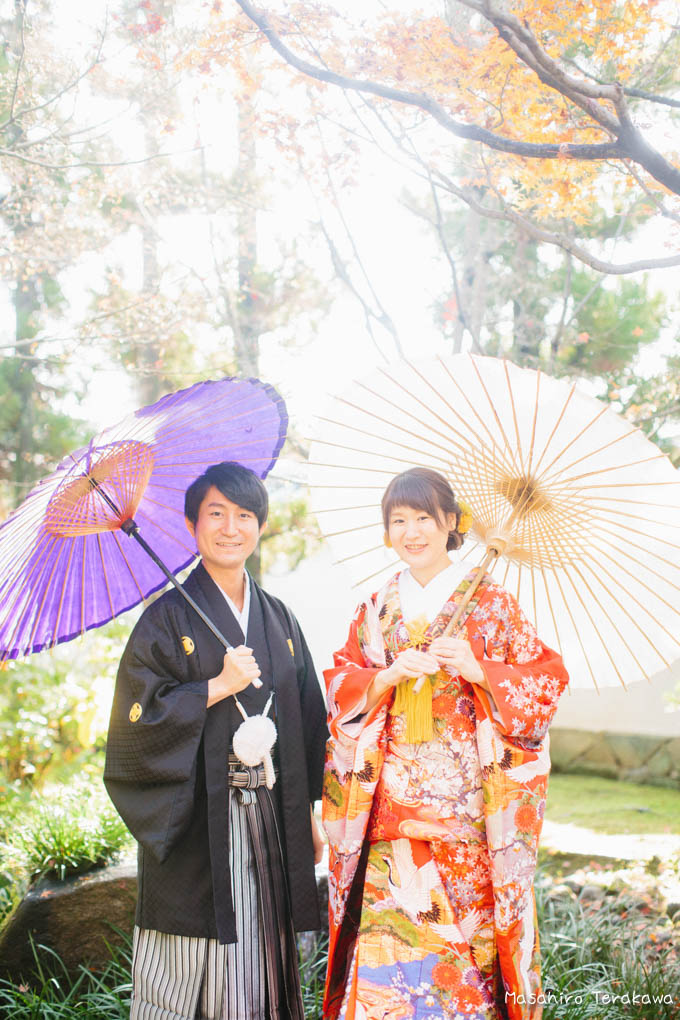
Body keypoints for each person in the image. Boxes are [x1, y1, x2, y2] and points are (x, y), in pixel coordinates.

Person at [322, 467, 569, 1020]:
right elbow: (342, 684)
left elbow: (545, 681)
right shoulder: (377, 605)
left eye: (425, 519)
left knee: (467, 945)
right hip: (391, 811)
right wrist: (385, 677)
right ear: (387, 531)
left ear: (452, 523)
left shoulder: (493, 602)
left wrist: (481, 670)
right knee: (393, 944)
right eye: (399, 521)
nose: (412, 532)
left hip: (467, 813)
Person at [104, 461, 327, 1020]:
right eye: (216, 514)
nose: (231, 527)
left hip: (272, 814)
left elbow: (307, 715)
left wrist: (314, 814)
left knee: (261, 955)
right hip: (196, 821)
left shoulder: (279, 618)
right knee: (184, 958)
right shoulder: (165, 618)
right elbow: (135, 721)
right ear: (191, 526)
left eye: (244, 515)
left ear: (260, 526)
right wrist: (214, 687)